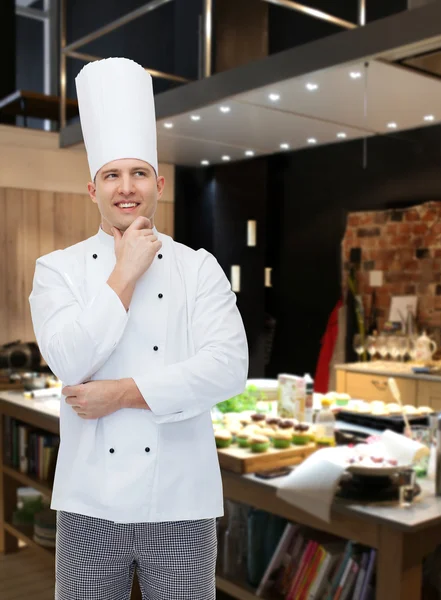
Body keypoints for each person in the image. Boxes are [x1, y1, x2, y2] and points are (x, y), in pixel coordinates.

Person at [29, 57, 248, 600]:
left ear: (159, 181)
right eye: (111, 175)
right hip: (88, 501)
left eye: (138, 173)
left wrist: (122, 394)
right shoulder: (57, 268)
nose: (126, 188)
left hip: (181, 498)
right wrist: (125, 271)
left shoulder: (198, 266)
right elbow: (69, 362)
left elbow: (228, 368)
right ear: (92, 189)